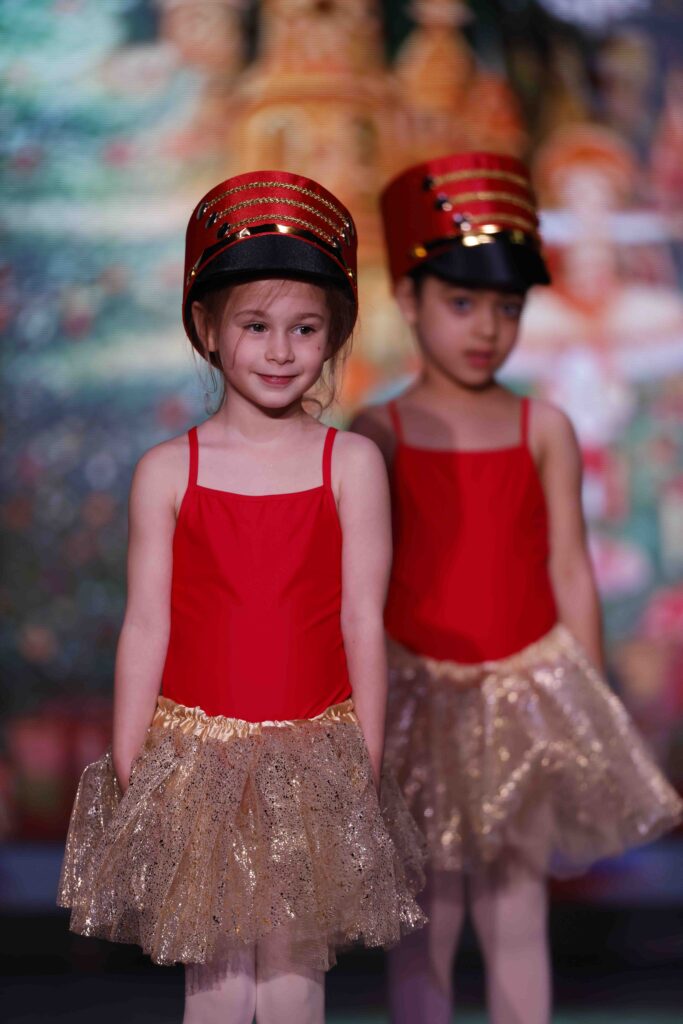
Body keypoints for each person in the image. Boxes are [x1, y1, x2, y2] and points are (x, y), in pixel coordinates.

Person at [58, 169, 425, 1024]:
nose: (280, 350)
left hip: (314, 759)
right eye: (256, 326)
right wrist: (131, 762)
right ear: (207, 329)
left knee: (294, 988)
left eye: (305, 328)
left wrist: (365, 760)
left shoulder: (350, 464)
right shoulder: (168, 471)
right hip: (198, 764)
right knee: (217, 992)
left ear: (334, 334)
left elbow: (361, 620)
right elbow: (146, 623)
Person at [351, 151, 682, 1024]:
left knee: (514, 909)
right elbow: (360, 580)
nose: (486, 329)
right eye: (461, 304)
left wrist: (585, 701)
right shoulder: (378, 430)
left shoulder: (543, 425)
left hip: (522, 696)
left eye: (506, 308)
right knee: (426, 916)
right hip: (417, 695)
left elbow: (568, 564)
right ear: (409, 300)